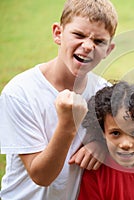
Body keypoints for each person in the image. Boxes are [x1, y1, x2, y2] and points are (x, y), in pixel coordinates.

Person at [0, 0, 118, 199]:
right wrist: (68, 124)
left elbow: (127, 137)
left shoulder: (103, 91)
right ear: (58, 33)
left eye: (99, 41)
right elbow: (41, 176)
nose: (88, 46)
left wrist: (101, 142)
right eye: (79, 35)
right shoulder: (20, 92)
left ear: (108, 50)